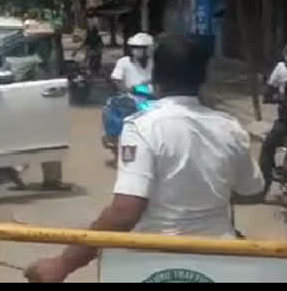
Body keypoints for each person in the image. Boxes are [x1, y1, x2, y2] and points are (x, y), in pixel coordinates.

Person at [25, 35, 264, 283]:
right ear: (203, 80)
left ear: (156, 80)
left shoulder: (143, 128)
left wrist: (63, 264)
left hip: (151, 261)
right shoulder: (230, 128)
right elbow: (253, 190)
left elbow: (125, 213)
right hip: (220, 258)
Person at [258, 46, 287, 200]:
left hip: (283, 122)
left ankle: (263, 188)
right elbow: (267, 96)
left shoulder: (281, 69)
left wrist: (279, 99)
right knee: (268, 146)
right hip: (283, 122)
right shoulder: (281, 69)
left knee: (268, 148)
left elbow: (267, 96)